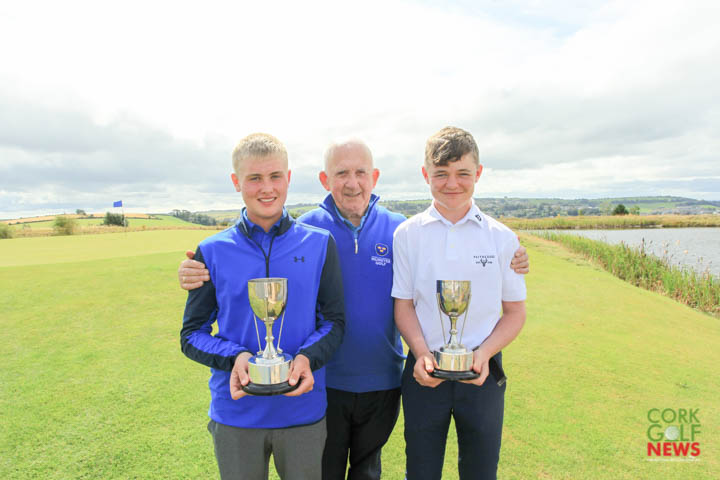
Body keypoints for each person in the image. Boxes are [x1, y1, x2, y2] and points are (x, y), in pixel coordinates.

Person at [178, 139, 530, 480]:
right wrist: (193, 270)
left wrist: (512, 256)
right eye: (341, 173)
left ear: (374, 177)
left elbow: (441, 257)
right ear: (324, 179)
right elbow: (251, 267)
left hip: (382, 381)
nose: (352, 182)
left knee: (368, 471)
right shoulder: (309, 230)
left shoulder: (400, 229)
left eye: (361, 172)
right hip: (324, 383)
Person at [180, 132, 345, 480]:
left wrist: (306, 358)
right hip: (236, 412)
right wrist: (235, 357)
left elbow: (334, 321)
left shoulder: (319, 244)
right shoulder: (212, 250)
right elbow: (191, 334)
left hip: (302, 412)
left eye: (275, 176)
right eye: (254, 178)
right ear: (236, 181)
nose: (266, 188)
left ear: (288, 177)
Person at [392, 126, 527, 480]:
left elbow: (515, 313)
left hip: (483, 373)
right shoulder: (407, 234)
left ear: (478, 173)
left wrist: (483, 354)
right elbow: (403, 306)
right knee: (420, 473)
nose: (452, 183)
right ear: (426, 175)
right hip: (424, 371)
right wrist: (421, 353)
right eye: (441, 174)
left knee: (480, 473)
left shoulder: (503, 238)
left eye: (463, 173)